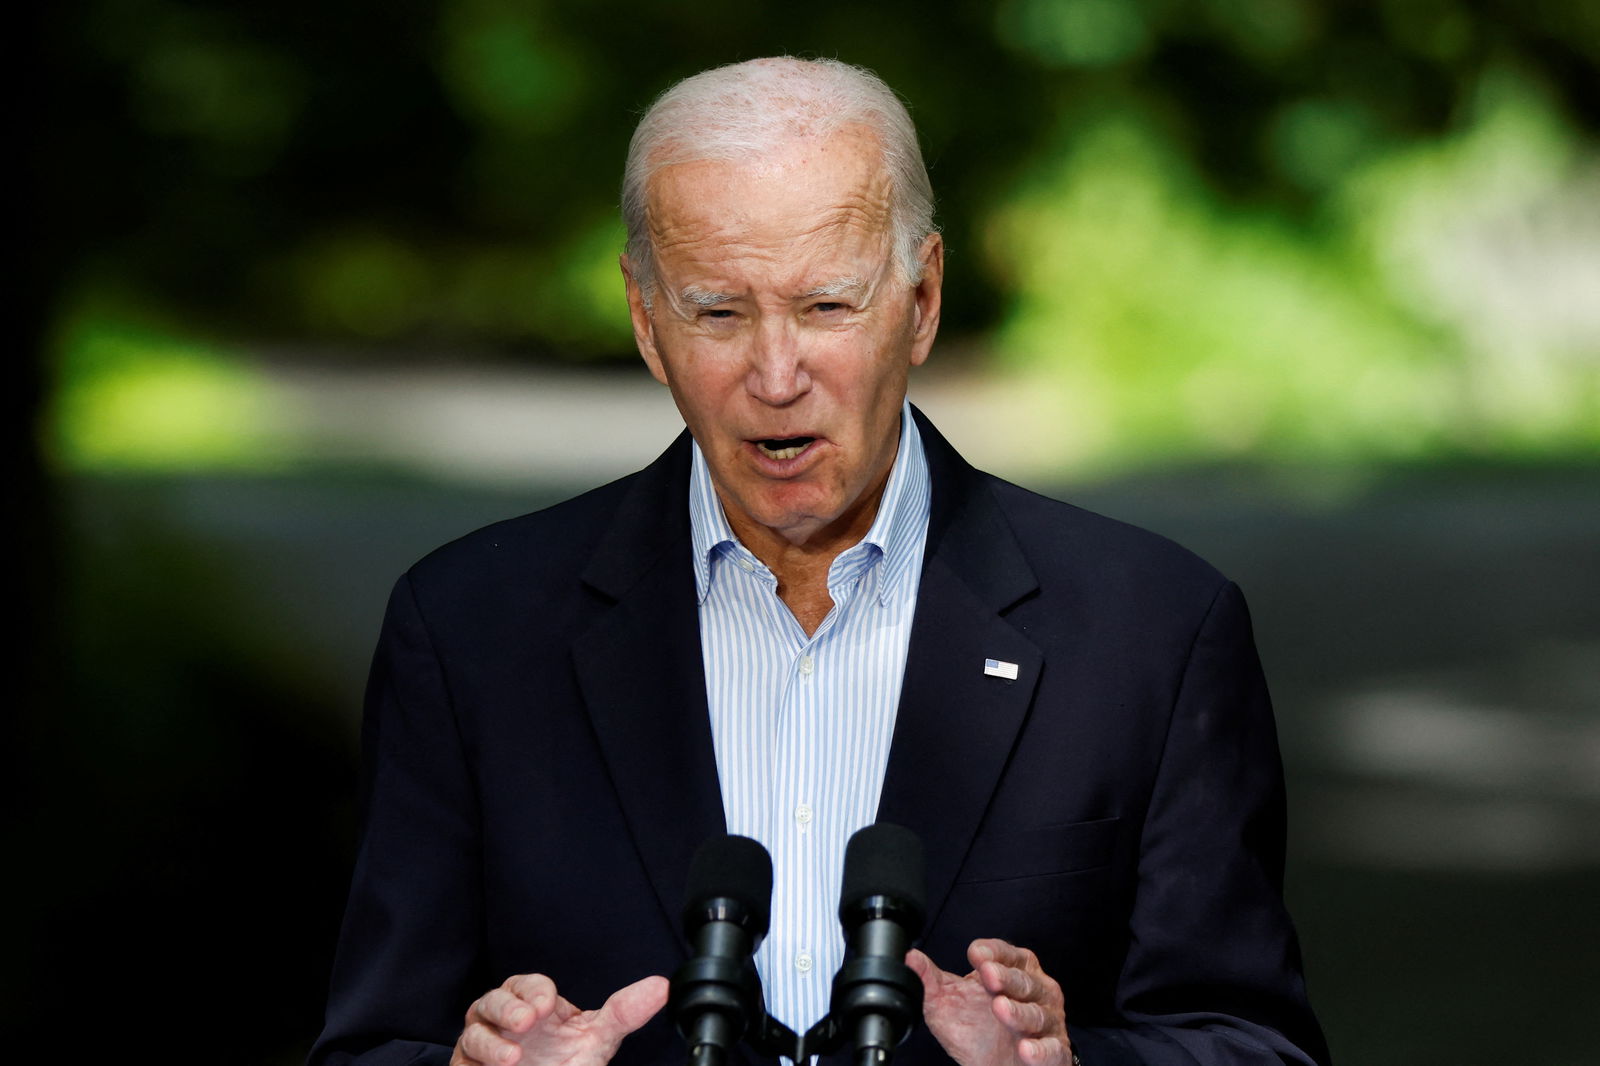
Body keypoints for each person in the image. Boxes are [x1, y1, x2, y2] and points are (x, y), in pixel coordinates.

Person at [309, 58, 1329, 1066]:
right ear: (646, 320)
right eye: (719, 313)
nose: (775, 374)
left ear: (921, 299)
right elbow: (374, 1044)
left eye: (826, 308)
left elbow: (1253, 1044)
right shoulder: (471, 631)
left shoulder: (1150, 631)